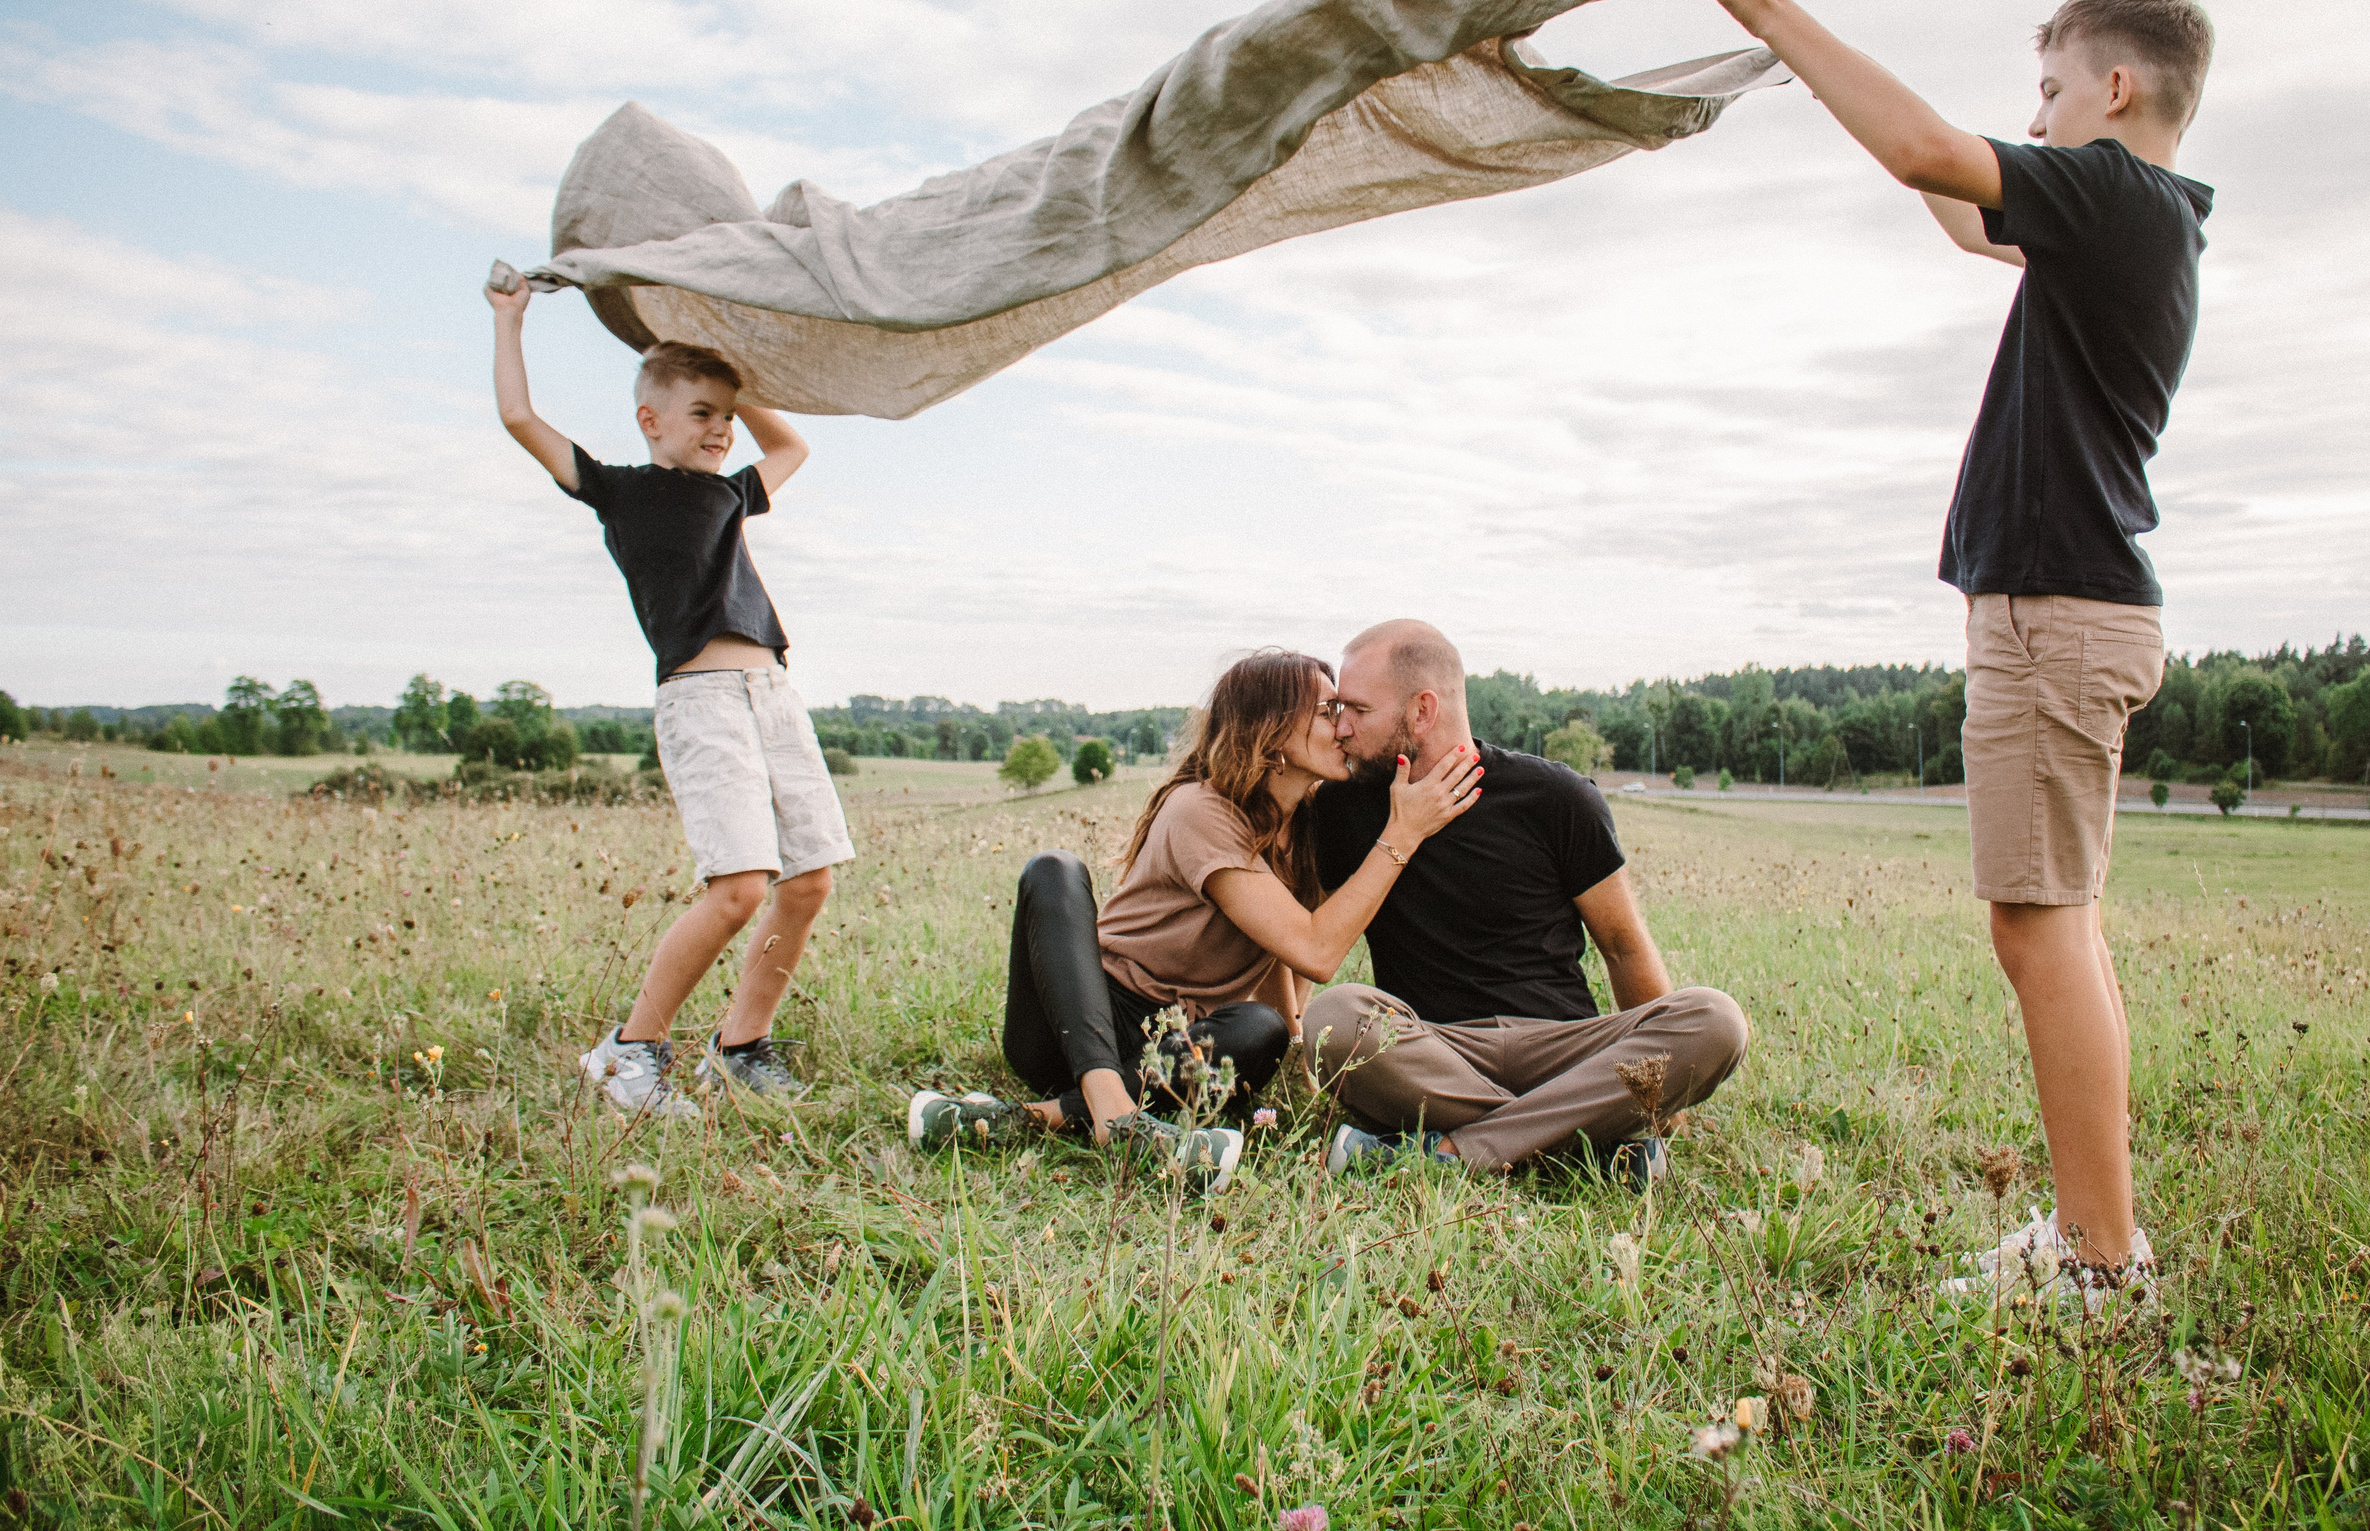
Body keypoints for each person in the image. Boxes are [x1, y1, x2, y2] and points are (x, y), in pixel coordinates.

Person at [1694, 0, 2215, 1294]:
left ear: (2114, 88)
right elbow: (1956, 201)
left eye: (2048, 89)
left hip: (2057, 613)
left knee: (2038, 928)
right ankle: (2098, 1240)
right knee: (2057, 925)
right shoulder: (2124, 222)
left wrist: (1774, 7)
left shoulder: (2119, 194)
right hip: (2068, 611)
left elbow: (1930, 150)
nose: (2032, 118)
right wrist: (1816, 75)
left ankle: (2098, 1260)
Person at [907, 649, 1481, 1192]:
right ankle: (1113, 1112)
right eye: (1327, 711)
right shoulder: (1201, 809)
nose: (1344, 726)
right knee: (1053, 869)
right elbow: (1317, 951)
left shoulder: (1305, 826)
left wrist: (1292, 1052)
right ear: (1271, 731)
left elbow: (1281, 951)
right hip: (1078, 1023)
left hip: (1176, 1046)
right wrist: (1402, 834)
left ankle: (1046, 1117)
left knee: (1261, 1029)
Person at [485, 269, 852, 1117]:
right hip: (702, 700)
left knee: (809, 882)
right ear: (649, 419)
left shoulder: (731, 491)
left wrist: (738, 369)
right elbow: (519, 418)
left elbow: (792, 448)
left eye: (727, 418)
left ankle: (740, 1047)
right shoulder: (618, 490)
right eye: (701, 413)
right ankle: (628, 1050)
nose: (722, 429)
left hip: (772, 690)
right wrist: (510, 319)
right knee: (740, 887)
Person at [1302, 621, 1749, 1188]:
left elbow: (1623, 946)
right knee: (1335, 1018)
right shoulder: (1340, 810)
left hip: (1564, 1051)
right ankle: (1586, 1145)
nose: (1341, 726)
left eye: (1357, 710)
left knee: (1716, 1021)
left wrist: (1663, 1102)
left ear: (1422, 711)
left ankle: (1453, 1153)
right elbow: (1306, 941)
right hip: (1436, 1052)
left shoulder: (1557, 797)